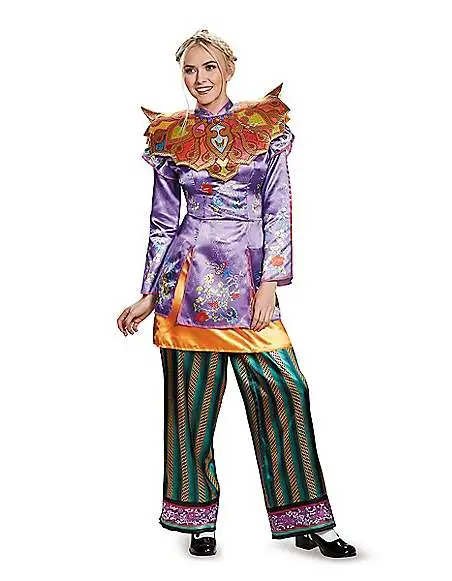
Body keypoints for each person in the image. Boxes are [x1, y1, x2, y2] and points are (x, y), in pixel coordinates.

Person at [117, 29, 356, 559]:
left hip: (247, 283)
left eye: (209, 67)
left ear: (228, 69)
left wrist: (271, 281)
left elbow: (278, 207)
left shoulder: (262, 128)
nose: (199, 78)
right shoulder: (171, 136)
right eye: (189, 69)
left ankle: (306, 519)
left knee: (286, 389)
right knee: (190, 406)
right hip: (186, 284)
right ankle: (197, 520)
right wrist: (148, 294)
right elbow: (163, 222)